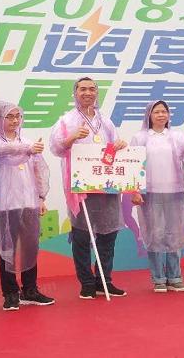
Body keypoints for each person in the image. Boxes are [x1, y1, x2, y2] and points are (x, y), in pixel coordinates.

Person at [49, 76, 128, 299]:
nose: (88, 93)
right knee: (82, 236)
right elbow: (56, 148)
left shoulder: (106, 122)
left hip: (106, 186)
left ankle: (104, 280)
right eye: (82, 89)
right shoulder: (66, 120)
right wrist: (72, 137)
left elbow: (112, 152)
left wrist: (119, 146)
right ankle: (86, 283)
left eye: (92, 89)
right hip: (81, 187)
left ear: (97, 93)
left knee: (108, 234)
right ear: (75, 92)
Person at [0, 100, 54, 311]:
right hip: (6, 205)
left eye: (17, 116)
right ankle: (10, 293)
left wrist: (41, 197)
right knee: (7, 250)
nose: (15, 121)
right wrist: (28, 149)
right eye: (9, 117)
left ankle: (30, 290)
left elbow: (39, 171)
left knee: (30, 247)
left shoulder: (30, 143)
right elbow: (4, 152)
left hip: (29, 203)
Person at [131, 100, 184, 292]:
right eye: (156, 112)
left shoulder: (178, 136)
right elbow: (133, 165)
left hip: (175, 193)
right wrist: (135, 191)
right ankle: (158, 279)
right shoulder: (140, 138)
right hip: (150, 194)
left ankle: (175, 277)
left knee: (175, 234)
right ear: (149, 115)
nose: (161, 115)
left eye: (164, 111)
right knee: (154, 234)